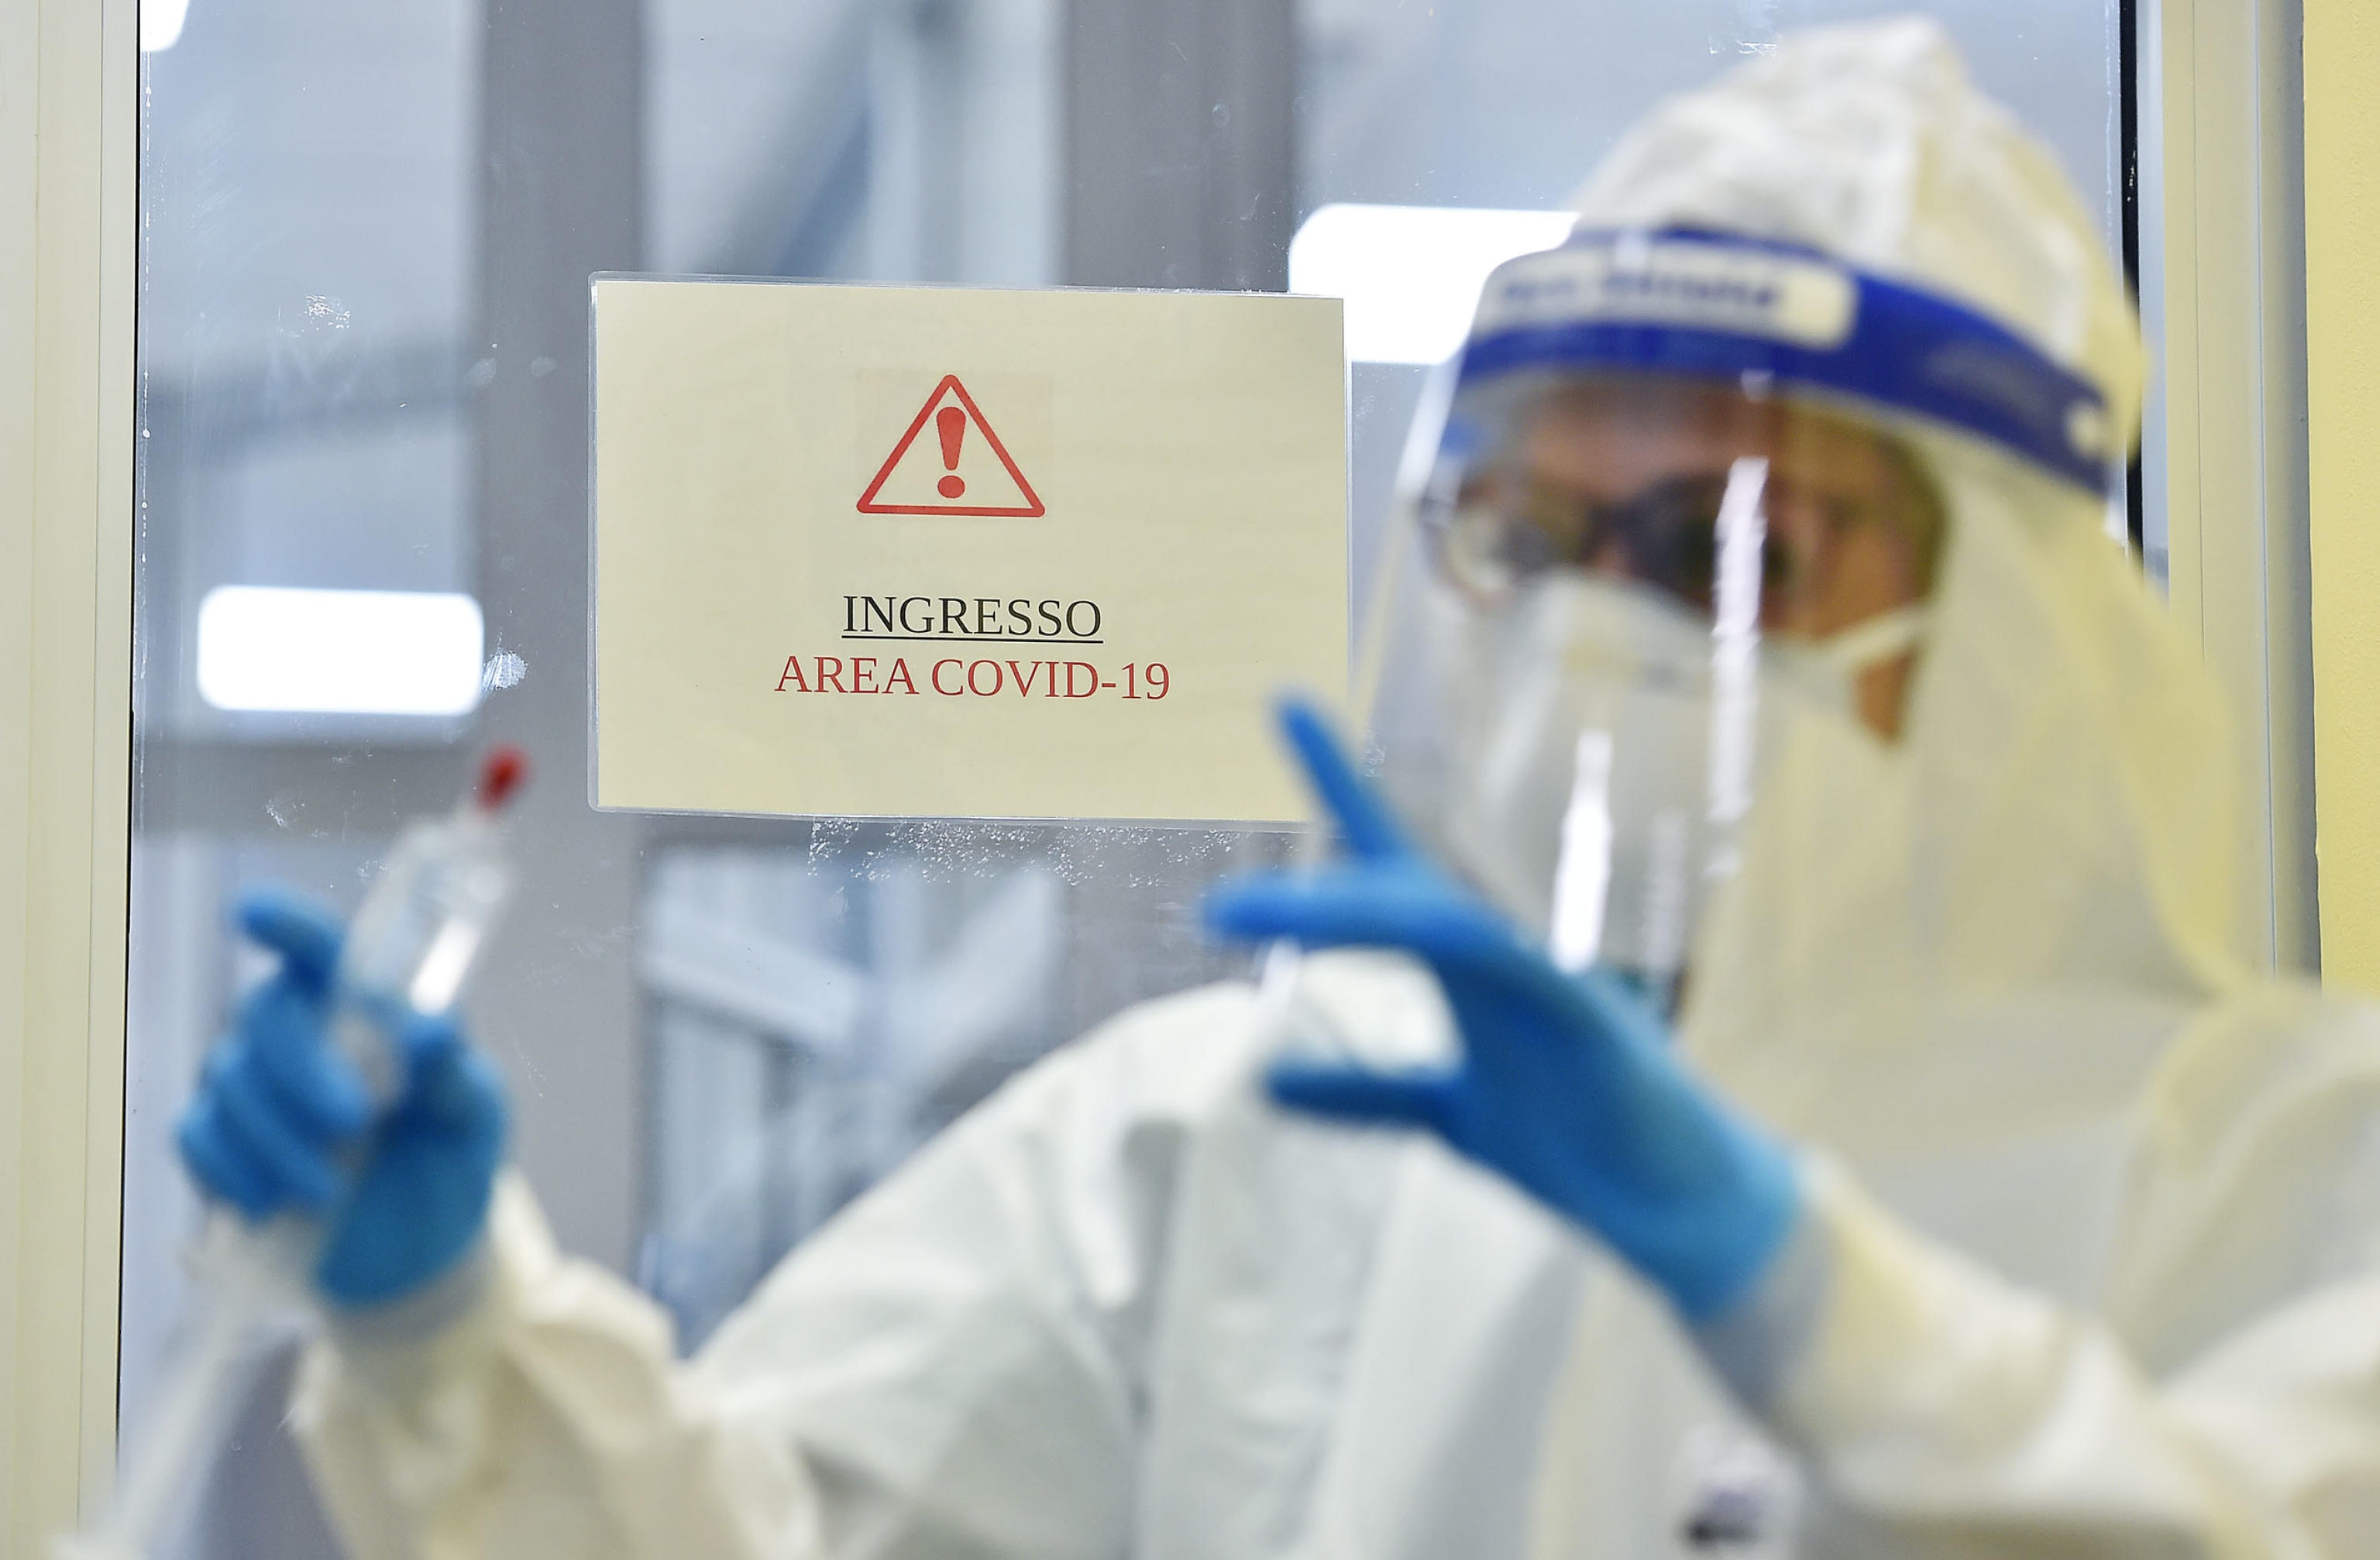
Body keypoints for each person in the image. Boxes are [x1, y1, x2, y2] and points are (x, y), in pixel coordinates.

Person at [174, 19, 2380, 1558]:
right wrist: (446, 1316)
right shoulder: (1267, 1135)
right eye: (1531, 538)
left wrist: (1790, 1289)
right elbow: (751, 1536)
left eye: (1722, 546)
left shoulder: (2279, 1175)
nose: (1599, 632)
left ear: (2006, 628)